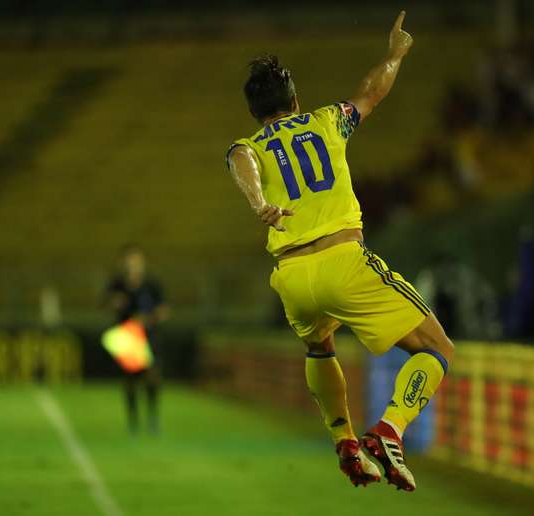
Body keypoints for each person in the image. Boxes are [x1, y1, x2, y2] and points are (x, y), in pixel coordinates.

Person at [225, 11, 454, 491]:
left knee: (319, 346)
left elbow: (239, 158)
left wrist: (259, 203)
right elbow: (373, 90)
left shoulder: (250, 145)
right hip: (343, 261)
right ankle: (389, 431)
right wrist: (394, 54)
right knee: (435, 348)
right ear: (295, 100)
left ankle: (345, 441)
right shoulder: (328, 121)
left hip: (292, 277)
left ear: (255, 113)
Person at [104, 244, 168, 434]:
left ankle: (152, 417)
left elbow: (163, 310)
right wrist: (114, 302)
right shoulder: (118, 284)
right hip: (127, 336)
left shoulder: (152, 285)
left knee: (152, 376)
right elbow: (104, 301)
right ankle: (133, 420)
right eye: (130, 261)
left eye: (137, 261)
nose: (134, 265)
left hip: (148, 334)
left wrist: (148, 318)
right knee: (129, 380)